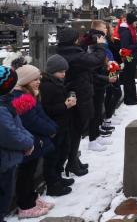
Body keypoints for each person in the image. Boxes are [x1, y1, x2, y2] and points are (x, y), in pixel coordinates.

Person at [56, 27, 105, 177]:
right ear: (73, 40)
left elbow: (81, 50)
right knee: (76, 130)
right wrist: (100, 45)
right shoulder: (75, 56)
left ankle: (74, 160)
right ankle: (72, 163)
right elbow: (96, 60)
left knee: (76, 131)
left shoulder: (66, 51)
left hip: (77, 93)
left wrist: (90, 38)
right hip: (79, 96)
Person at [12, 65, 58, 218]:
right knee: (25, 174)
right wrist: (50, 129)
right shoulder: (21, 98)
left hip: (34, 141)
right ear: (25, 80)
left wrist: (52, 127)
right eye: (34, 79)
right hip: (29, 143)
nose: (38, 82)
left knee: (30, 172)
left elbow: (40, 115)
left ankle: (31, 198)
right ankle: (25, 205)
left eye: (39, 79)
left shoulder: (29, 93)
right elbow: (32, 121)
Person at [0, 66, 34, 222]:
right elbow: (10, 134)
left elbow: (17, 126)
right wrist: (27, 143)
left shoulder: (6, 103)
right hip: (4, 161)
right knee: (4, 196)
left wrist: (28, 140)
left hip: (8, 159)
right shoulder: (1, 109)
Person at [40, 55, 76, 196]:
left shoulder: (58, 82)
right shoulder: (47, 86)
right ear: (52, 71)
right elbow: (48, 109)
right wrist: (65, 105)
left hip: (63, 124)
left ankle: (58, 177)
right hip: (55, 127)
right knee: (53, 157)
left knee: (63, 151)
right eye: (61, 71)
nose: (64, 74)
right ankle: (52, 185)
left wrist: (70, 97)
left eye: (65, 71)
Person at [81, 21, 114, 152]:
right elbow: (94, 63)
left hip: (100, 78)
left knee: (99, 107)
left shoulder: (98, 39)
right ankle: (92, 139)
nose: (106, 29)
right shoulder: (95, 40)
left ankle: (96, 135)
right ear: (97, 29)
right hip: (96, 80)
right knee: (95, 110)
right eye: (103, 27)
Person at [103, 23, 123, 130]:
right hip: (110, 68)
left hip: (113, 66)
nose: (113, 29)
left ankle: (109, 116)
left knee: (111, 93)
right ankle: (107, 118)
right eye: (111, 28)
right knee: (116, 92)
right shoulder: (106, 41)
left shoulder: (110, 40)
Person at [119, 13, 137, 105]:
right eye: (135, 22)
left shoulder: (130, 30)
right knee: (129, 77)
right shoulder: (126, 32)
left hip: (131, 56)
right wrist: (136, 46)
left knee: (131, 77)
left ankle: (133, 98)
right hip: (129, 57)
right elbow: (125, 46)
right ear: (131, 22)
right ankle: (129, 99)